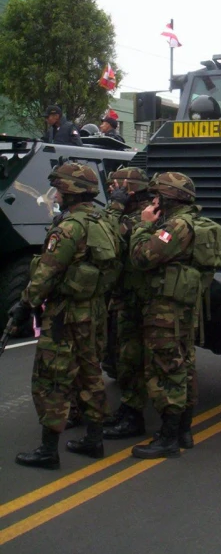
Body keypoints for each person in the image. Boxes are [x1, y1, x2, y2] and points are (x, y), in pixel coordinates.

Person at [8, 163, 120, 469]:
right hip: (94, 310)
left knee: (53, 378)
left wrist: (25, 304)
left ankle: (48, 450)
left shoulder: (69, 227)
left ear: (71, 191)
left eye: (60, 188)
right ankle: (94, 440)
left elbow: (46, 272)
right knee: (90, 374)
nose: (56, 194)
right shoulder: (103, 222)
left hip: (66, 314)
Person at [127, 172, 207, 459]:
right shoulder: (192, 221)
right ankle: (183, 431)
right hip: (181, 307)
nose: (153, 201)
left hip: (166, 309)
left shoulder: (174, 227)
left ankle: (169, 438)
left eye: (157, 196)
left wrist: (142, 225)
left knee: (166, 366)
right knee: (183, 364)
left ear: (169, 198)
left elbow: (142, 257)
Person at [101, 167, 153, 440]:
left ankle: (134, 417)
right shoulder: (135, 215)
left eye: (116, 188)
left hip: (138, 300)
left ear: (129, 189)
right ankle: (128, 409)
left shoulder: (137, 218)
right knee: (124, 357)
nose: (111, 191)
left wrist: (115, 206)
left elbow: (104, 238)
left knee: (132, 359)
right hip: (127, 297)